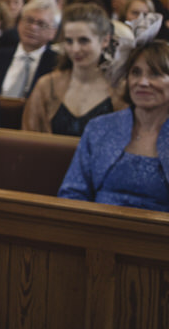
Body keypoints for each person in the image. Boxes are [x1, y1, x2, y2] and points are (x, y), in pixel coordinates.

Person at [58, 41, 169, 211]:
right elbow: (72, 193)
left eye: (155, 74)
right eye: (135, 73)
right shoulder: (99, 127)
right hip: (97, 229)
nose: (142, 82)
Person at [23, 4, 125, 136]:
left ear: (105, 40)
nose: (75, 49)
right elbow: (29, 139)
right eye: (69, 41)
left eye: (84, 41)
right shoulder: (47, 86)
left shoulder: (120, 88)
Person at [0, 0, 61, 98]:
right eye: (29, 20)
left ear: (53, 32)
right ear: (19, 23)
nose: (33, 27)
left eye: (41, 24)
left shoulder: (57, 64)